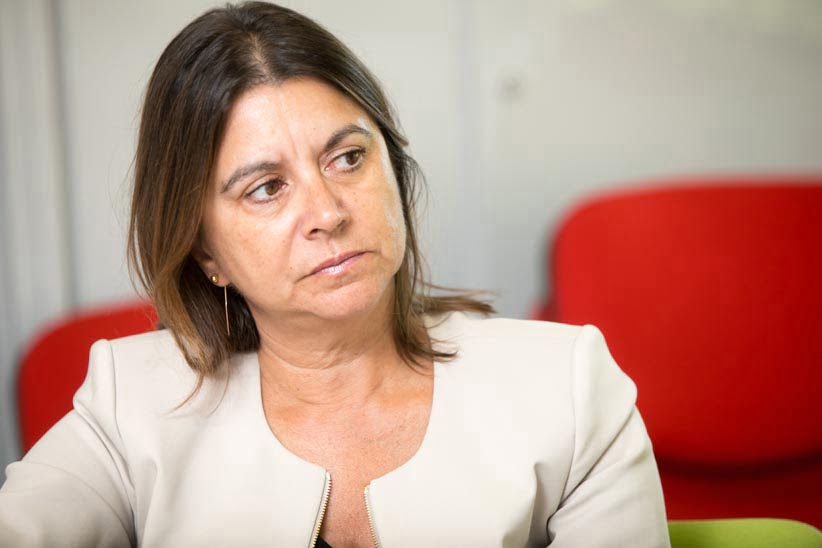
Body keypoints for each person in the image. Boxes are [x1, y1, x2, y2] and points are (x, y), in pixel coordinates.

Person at [0, 2, 670, 546]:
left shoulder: (567, 387)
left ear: (394, 168)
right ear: (206, 253)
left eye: (347, 158)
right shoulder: (130, 406)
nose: (327, 212)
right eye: (266, 188)